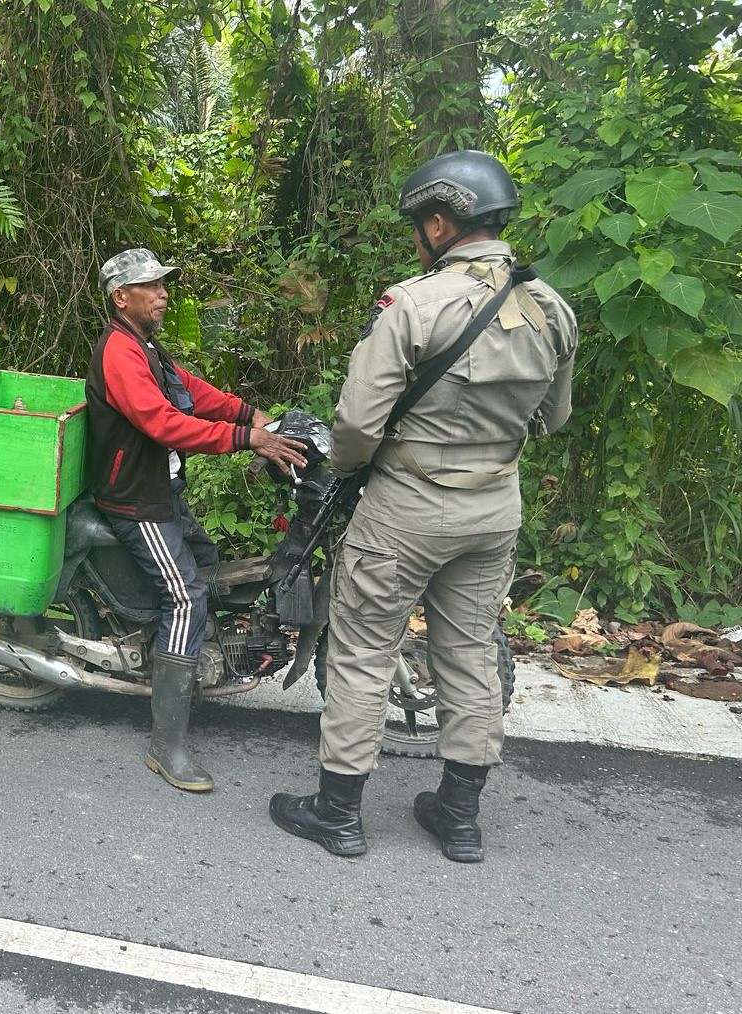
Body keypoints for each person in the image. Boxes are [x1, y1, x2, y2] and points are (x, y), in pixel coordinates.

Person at [269, 151, 577, 862]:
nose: (417, 237)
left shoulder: (413, 304)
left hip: (408, 507)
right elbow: (553, 419)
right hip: (494, 509)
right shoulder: (552, 307)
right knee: (468, 651)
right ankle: (459, 816)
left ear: (440, 224)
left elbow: (353, 425)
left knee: (362, 649)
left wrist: (346, 470)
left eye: (419, 225)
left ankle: (338, 813)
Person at [87, 248, 310, 792]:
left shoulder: (145, 347)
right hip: (135, 500)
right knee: (186, 595)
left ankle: (187, 672)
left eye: (165, 285)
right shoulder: (119, 353)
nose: (164, 293)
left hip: (161, 489)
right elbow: (164, 423)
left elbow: (191, 391)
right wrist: (246, 439)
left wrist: (251, 414)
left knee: (210, 568)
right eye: (153, 286)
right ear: (123, 298)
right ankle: (166, 746)